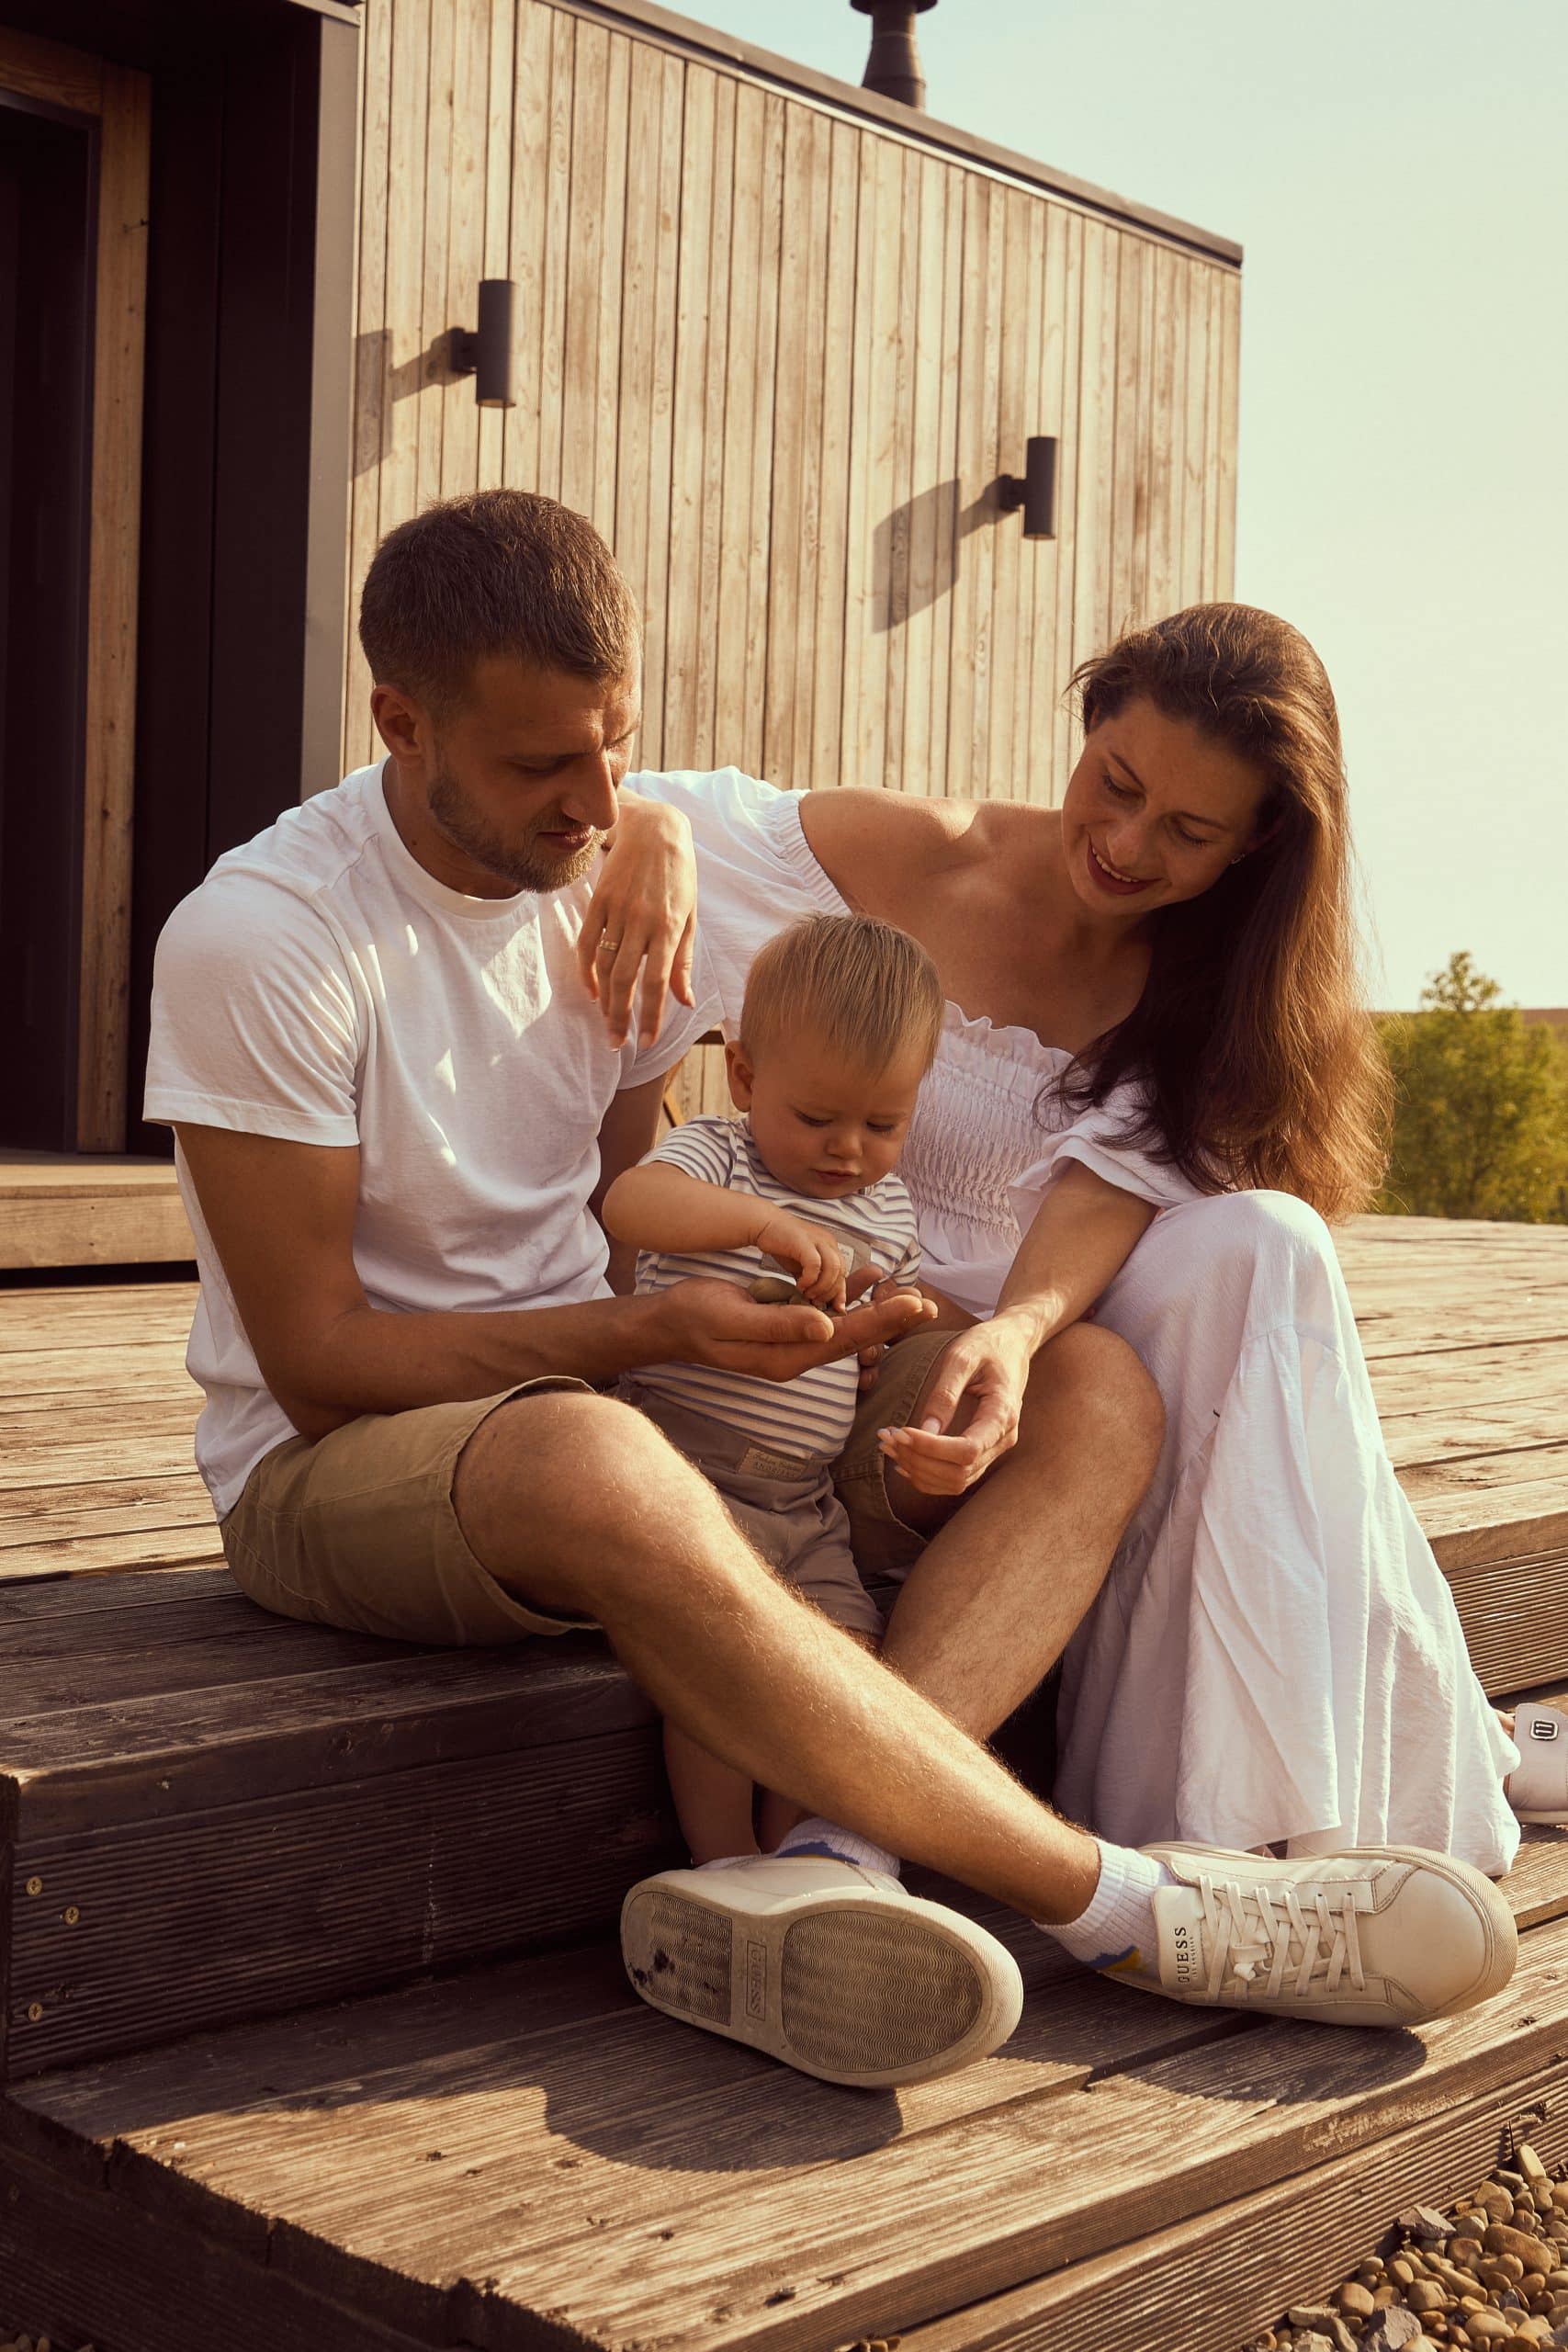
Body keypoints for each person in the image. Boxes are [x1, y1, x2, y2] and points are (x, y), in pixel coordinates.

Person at [145, 492, 1516, 2097]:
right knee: (594, 1455)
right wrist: (651, 1330)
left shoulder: (610, 888)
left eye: (618, 754)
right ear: (397, 720)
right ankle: (1122, 1900)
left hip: (624, 1404)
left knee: (1091, 1388)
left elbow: (611, 1189)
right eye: (546, 770)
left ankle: (827, 1858)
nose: (596, 803)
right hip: (356, 1462)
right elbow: (317, 1365)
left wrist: (826, 1324)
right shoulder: (264, 937)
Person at [605, 600, 1528, 1897]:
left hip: (1046, 1359)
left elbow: (1110, 1190)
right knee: (1219, 1312)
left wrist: (1018, 1331)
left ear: (1253, 844)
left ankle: (1217, 1820)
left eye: (1186, 831)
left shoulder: (1217, 983)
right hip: (864, 1357)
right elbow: (580, 800)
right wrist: (644, 823)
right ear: (1090, 726)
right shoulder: (910, 858)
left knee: (1260, 1242)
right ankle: (1450, 1737)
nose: (1126, 841)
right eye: (1116, 782)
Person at [605, 910, 943, 1867]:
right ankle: (722, 1865)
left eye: (883, 1124)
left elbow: (884, 1306)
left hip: (806, 1498)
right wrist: (759, 1225)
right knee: (721, 1667)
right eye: (816, 1117)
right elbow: (629, 1204)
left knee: (838, 1664)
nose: (848, 1149)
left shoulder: (885, 1201)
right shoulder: (721, 1153)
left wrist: (890, 1331)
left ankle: (795, 1860)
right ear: (746, 1075)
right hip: (688, 1473)